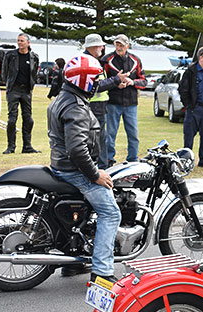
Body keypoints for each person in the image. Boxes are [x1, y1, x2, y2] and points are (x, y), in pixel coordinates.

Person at [48, 54, 122, 282]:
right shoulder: (76, 107)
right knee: (111, 213)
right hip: (75, 170)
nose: (97, 82)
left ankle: (72, 264)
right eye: (94, 78)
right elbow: (77, 149)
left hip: (61, 165)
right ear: (83, 80)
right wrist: (94, 174)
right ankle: (102, 272)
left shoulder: (64, 96)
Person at [83, 33, 129, 170]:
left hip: (99, 105)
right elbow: (95, 85)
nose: (103, 48)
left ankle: (100, 165)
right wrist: (116, 79)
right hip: (93, 105)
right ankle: (100, 166)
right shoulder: (89, 61)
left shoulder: (94, 60)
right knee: (97, 138)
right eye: (100, 45)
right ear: (93, 47)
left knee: (99, 138)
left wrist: (116, 83)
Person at [101, 34, 147, 166]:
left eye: (121, 44)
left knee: (133, 134)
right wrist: (116, 84)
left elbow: (144, 81)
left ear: (128, 45)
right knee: (110, 135)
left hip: (131, 104)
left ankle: (133, 160)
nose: (119, 47)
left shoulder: (135, 60)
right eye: (117, 44)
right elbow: (101, 81)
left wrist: (132, 82)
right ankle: (109, 160)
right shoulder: (106, 59)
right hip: (112, 103)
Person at [178, 46, 203, 169]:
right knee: (189, 136)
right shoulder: (190, 71)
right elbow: (183, 89)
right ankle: (186, 161)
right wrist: (189, 105)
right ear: (201, 58)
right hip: (194, 109)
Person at [1, 33, 40, 154]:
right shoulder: (10, 55)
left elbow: (34, 73)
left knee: (28, 119)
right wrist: (8, 84)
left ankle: (27, 146)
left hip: (26, 91)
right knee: (12, 119)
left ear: (28, 43)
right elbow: (4, 71)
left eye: (22, 41)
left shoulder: (34, 57)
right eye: (18, 41)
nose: (19, 43)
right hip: (13, 89)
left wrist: (31, 86)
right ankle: (11, 147)